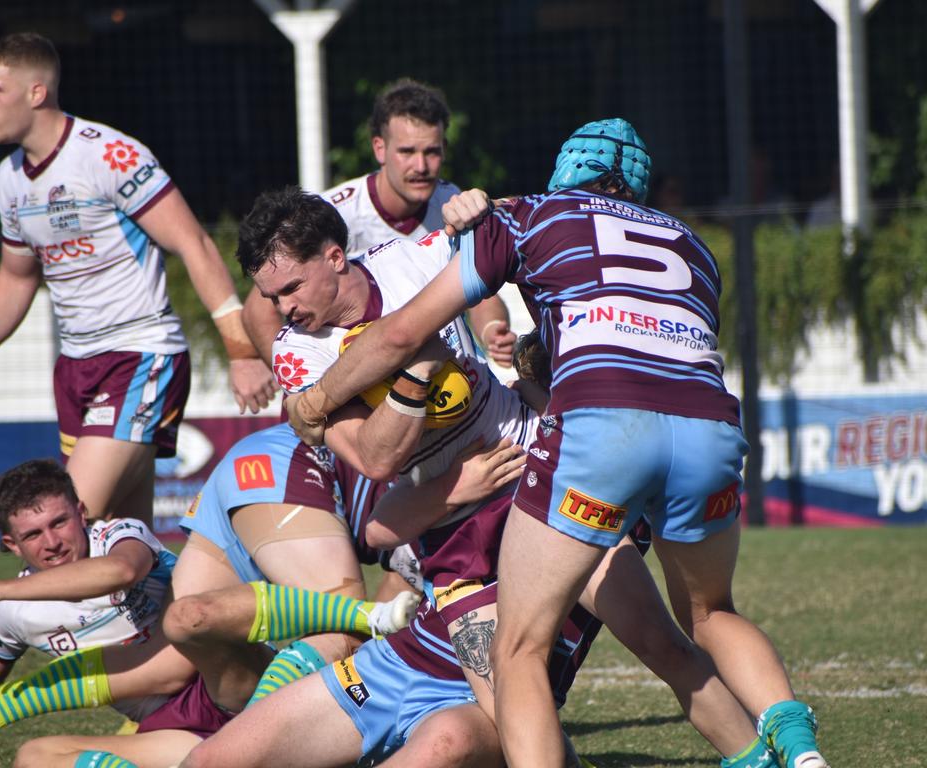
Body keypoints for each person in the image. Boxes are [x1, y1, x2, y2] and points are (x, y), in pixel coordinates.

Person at [283, 118, 830, 768]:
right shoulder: (694, 246)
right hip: (709, 427)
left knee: (518, 650)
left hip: (600, 437)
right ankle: (795, 751)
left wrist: (314, 402)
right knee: (708, 615)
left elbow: (403, 336)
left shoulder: (531, 215)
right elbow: (626, 329)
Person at [0, 32, 276, 526]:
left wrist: (241, 351)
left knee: (67, 524)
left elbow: (193, 243)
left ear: (36, 92)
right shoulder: (8, 178)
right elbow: (15, 277)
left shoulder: (109, 155)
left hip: (139, 355)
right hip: (75, 369)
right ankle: (193, 604)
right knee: (120, 546)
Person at [0, 455, 415, 768]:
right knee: (35, 757)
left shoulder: (119, 535)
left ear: (83, 513)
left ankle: (367, 619)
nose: (53, 542)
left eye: (60, 522)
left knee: (184, 626)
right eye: (33, 535)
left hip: (223, 679)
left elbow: (119, 573)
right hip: (169, 729)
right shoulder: (12, 613)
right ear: (11, 543)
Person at [237, 78, 516, 399]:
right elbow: (260, 309)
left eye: (432, 152)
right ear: (379, 149)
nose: (421, 166)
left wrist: (492, 330)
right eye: (407, 152)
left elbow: (474, 282)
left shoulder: (449, 199)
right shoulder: (333, 214)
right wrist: (300, 389)